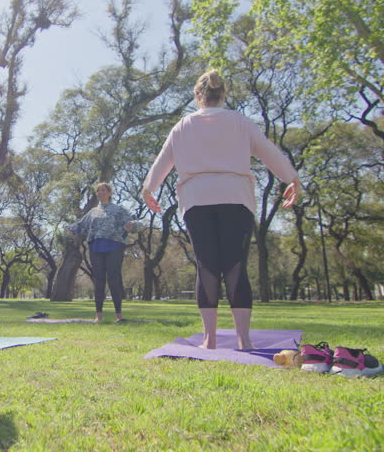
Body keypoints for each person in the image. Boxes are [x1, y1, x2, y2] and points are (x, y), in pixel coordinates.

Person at [141, 69, 301, 350]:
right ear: (223, 94)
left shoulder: (183, 125)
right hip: (235, 198)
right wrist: (292, 178)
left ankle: (209, 340)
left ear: (197, 95)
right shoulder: (240, 122)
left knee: (207, 266)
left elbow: (163, 161)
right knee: (235, 265)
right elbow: (268, 151)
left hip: (196, 200)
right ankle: (243, 340)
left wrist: (148, 189)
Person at [67, 182, 139, 322]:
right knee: (99, 281)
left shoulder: (118, 209)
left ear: (110, 193)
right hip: (96, 247)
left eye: (103, 190)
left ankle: (119, 316)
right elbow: (81, 225)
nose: (100, 193)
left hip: (114, 246)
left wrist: (132, 225)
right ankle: (98, 316)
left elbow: (133, 222)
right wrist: (70, 229)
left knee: (114, 280)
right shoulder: (93, 212)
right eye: (98, 191)